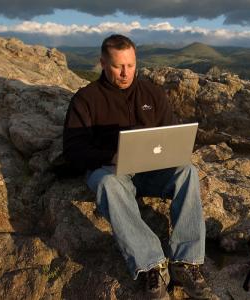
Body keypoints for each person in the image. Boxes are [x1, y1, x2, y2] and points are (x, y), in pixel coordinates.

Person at [63, 34, 213, 300]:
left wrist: (171, 151)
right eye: (118, 66)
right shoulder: (86, 99)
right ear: (102, 63)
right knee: (109, 185)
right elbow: (73, 150)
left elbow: (167, 134)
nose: (125, 73)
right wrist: (112, 156)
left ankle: (186, 262)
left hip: (150, 170)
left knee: (187, 172)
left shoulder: (151, 94)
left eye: (130, 65)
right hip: (111, 170)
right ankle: (151, 265)